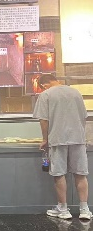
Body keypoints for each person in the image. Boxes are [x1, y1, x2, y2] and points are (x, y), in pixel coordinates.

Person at [33, 74, 91, 221]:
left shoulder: (46, 95)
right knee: (80, 174)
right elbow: (84, 116)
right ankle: (84, 209)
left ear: (44, 85)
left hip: (57, 139)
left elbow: (43, 120)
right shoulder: (75, 92)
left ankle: (63, 209)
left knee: (59, 174)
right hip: (78, 139)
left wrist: (45, 139)